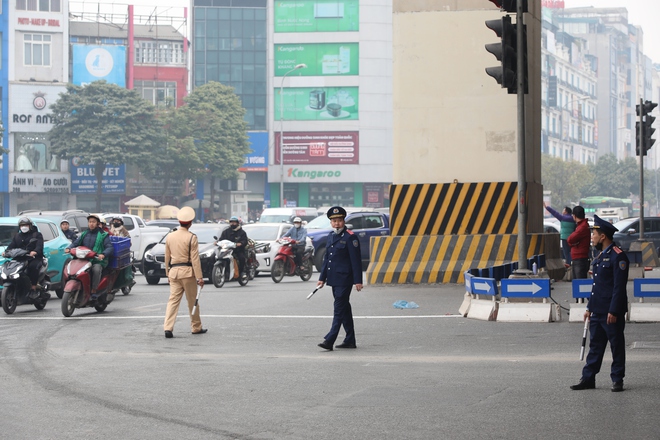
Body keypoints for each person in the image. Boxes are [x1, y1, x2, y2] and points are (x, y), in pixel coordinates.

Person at [571, 215, 629, 392]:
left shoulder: (618, 257)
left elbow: (619, 288)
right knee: (595, 346)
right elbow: (597, 287)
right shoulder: (599, 257)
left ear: (603, 236)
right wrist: (589, 308)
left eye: (594, 234)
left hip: (611, 312)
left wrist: (614, 310)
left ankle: (617, 379)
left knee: (616, 346)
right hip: (597, 310)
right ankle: (588, 378)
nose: (592, 237)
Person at [316, 206, 363, 351]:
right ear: (330, 222)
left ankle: (330, 339)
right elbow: (327, 260)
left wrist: (358, 280)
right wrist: (322, 278)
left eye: (339, 220)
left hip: (345, 279)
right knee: (344, 309)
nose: (337, 223)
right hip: (333, 279)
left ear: (344, 221)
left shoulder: (350, 237)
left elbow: (356, 261)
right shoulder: (330, 236)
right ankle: (350, 340)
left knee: (338, 309)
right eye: (334, 221)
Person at [163, 206, 206, 338]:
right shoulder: (191, 237)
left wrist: (167, 273)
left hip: (174, 272)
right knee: (192, 300)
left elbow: (167, 257)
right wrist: (199, 277)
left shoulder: (170, 236)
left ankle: (168, 327)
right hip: (187, 273)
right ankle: (196, 327)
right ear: (190, 222)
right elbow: (195, 259)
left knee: (173, 301)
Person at [66, 214, 113, 299]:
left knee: (96, 269)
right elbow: (76, 243)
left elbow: (109, 247)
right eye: (90, 222)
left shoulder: (103, 234)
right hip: (84, 259)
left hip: (97, 260)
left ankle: (94, 289)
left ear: (98, 223)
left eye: (93, 222)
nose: (91, 224)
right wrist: (69, 248)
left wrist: (103, 254)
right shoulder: (84, 233)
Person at [4, 217, 45, 298]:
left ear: (30, 226)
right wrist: (6, 252)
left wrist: (35, 251)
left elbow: (39, 246)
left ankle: (33, 287)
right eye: (22, 225)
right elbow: (11, 246)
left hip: (33, 258)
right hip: (20, 258)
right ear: (19, 227)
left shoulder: (37, 235)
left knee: (33, 267)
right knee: (8, 266)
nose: (24, 227)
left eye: (26, 225)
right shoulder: (17, 236)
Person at [567, 205, 590, 279]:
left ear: (574, 215)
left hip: (580, 258)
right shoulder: (580, 225)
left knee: (579, 283)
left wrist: (572, 243)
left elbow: (570, 239)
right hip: (577, 258)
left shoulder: (582, 227)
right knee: (577, 283)